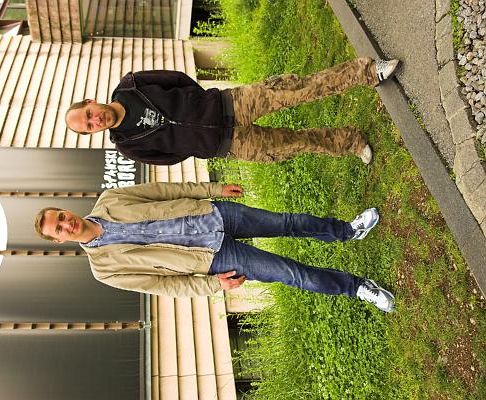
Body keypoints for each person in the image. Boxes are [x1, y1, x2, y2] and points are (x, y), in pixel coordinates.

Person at [34, 182, 394, 312]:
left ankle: (348, 231)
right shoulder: (104, 269)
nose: (67, 224)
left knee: (288, 222)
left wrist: (212, 189)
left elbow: (165, 192)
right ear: (60, 240)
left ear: (66, 210)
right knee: (291, 274)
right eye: (59, 229)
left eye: (61, 216)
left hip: (212, 214)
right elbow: (163, 286)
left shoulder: (110, 199)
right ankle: (357, 287)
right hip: (213, 258)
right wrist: (212, 284)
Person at [65, 57, 400, 165]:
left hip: (232, 104)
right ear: (93, 132)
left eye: (88, 114)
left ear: (90, 102)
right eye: (89, 126)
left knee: (301, 89)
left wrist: (201, 104)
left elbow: (178, 79)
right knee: (296, 144)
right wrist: (197, 142)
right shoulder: (127, 145)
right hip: (230, 146)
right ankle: (351, 141)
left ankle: (368, 72)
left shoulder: (132, 84)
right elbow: (170, 157)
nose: (95, 120)